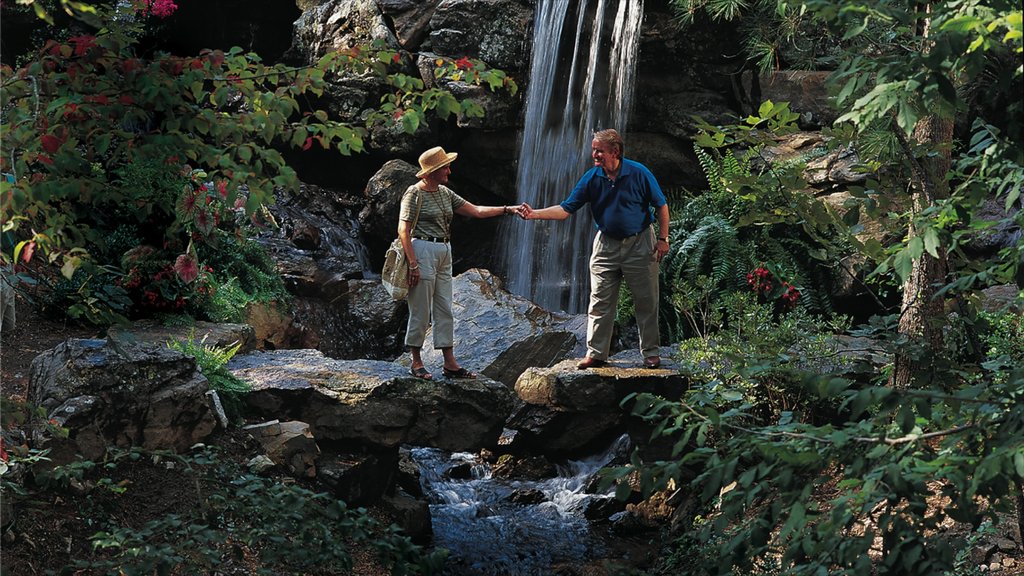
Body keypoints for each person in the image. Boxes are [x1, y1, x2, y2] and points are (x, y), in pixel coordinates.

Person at [518, 128, 669, 369]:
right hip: (606, 244)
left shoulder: (639, 173)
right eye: (593, 150)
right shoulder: (591, 178)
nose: (594, 155)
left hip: (640, 242)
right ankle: (596, 353)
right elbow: (566, 209)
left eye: (599, 151)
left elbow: (661, 206)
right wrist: (534, 214)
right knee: (599, 300)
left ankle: (650, 352)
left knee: (646, 300)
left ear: (615, 151)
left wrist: (663, 239)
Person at [399, 146, 522, 380]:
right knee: (420, 308)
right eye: (445, 166)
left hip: (444, 250)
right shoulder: (414, 193)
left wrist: (508, 209)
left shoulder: (445, 193)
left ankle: (450, 363)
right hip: (422, 249)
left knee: (445, 306)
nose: (449, 170)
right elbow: (403, 229)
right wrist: (412, 263)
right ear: (432, 171)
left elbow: (475, 210)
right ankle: (416, 361)